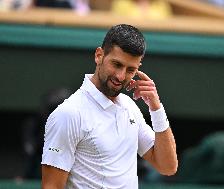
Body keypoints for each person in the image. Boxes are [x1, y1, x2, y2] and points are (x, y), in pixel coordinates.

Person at [41, 24, 178, 189]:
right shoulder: (68, 114)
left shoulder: (129, 107)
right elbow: (51, 186)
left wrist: (156, 108)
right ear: (99, 55)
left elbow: (168, 167)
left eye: (130, 69)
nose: (121, 76)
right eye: (117, 64)